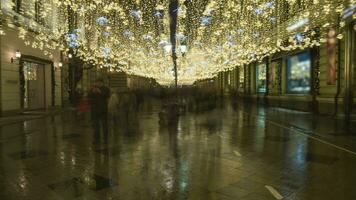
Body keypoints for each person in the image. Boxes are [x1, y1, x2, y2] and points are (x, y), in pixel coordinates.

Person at [88, 78, 110, 143]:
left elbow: (106, 95)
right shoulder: (93, 88)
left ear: (102, 83)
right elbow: (89, 96)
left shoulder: (106, 89)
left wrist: (99, 92)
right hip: (95, 109)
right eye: (96, 82)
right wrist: (92, 91)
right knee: (95, 124)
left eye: (98, 82)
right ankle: (96, 138)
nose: (97, 84)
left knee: (104, 124)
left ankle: (105, 137)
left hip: (103, 109)